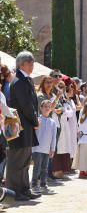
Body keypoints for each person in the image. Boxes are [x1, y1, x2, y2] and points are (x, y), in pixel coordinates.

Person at [6, 51, 41, 200]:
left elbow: (31, 103)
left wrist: (34, 119)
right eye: (30, 62)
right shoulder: (19, 81)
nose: (32, 65)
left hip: (25, 125)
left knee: (25, 160)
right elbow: (26, 105)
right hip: (19, 126)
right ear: (22, 64)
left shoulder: (26, 80)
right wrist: (35, 120)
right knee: (17, 160)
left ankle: (24, 189)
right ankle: (14, 192)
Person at [31, 100, 57, 193]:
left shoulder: (53, 122)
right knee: (37, 167)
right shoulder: (37, 120)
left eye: (49, 107)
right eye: (45, 106)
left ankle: (43, 185)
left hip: (46, 149)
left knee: (44, 168)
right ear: (41, 108)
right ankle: (34, 185)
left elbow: (54, 137)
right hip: (37, 148)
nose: (47, 108)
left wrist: (52, 149)